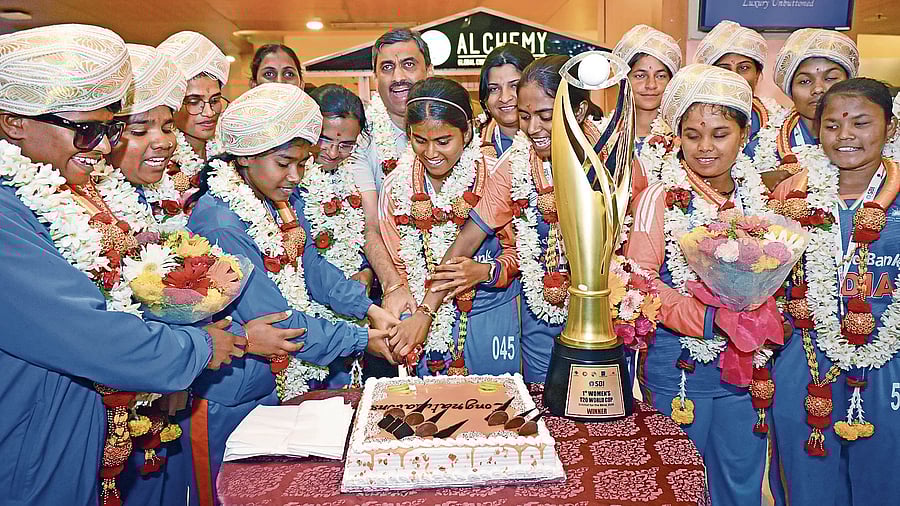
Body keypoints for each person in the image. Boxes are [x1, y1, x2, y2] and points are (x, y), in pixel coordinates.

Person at [0, 24, 246, 506]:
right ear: (13, 121)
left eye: (110, 129)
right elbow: (84, 331)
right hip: (31, 449)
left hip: (77, 429)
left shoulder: (74, 188)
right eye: (87, 130)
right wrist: (197, 347)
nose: (102, 147)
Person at [104, 44, 302, 505]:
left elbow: (193, 286)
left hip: (171, 386)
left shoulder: (161, 194)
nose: (163, 140)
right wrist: (221, 340)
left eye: (166, 126)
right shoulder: (87, 207)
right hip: (125, 397)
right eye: (141, 129)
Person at [180, 83, 396, 505]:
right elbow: (278, 321)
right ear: (244, 156)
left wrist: (369, 308)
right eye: (284, 163)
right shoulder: (222, 221)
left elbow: (311, 267)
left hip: (270, 384)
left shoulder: (276, 197)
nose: (295, 177)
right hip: (231, 393)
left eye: (302, 163)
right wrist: (362, 339)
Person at [626, 64, 777, 506]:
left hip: (749, 366)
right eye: (692, 135)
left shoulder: (763, 197)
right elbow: (639, 279)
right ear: (677, 138)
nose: (705, 147)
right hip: (679, 366)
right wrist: (708, 318)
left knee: (740, 477)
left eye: (719, 133)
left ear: (744, 134)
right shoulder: (659, 195)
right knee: (679, 483)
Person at [432, 56, 624, 383]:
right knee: (544, 412)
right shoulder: (515, 164)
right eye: (524, 116)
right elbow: (469, 237)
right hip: (540, 318)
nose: (533, 128)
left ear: (577, 111)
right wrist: (427, 308)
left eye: (545, 116)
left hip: (609, 314)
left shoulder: (615, 157)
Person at [769, 78, 900, 506]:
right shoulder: (792, 198)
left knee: (884, 481)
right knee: (807, 484)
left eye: (861, 123)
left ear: (891, 128)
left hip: (889, 362)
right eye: (831, 126)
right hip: (807, 360)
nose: (845, 136)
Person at [379, 77, 522, 376]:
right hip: (421, 319)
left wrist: (485, 271)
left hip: (491, 311)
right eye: (420, 140)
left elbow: (524, 252)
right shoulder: (396, 186)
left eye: (444, 141)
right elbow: (398, 263)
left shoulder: (497, 176)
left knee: (494, 408)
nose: (431, 152)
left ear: (467, 132)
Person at [345, 28, 432, 375]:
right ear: (376, 76)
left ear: (429, 71)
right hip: (390, 282)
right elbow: (370, 226)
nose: (398, 77)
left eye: (408, 64)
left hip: (453, 281)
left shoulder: (459, 126)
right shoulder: (362, 139)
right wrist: (395, 285)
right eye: (387, 67)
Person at [303, 83, 373, 387]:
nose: (332, 153)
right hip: (305, 315)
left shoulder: (348, 178)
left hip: (347, 309)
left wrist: (366, 272)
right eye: (324, 140)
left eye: (345, 145)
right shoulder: (288, 180)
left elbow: (356, 238)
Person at [753, 28, 859, 190]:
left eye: (830, 78)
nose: (818, 89)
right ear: (791, 91)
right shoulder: (762, 146)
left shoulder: (870, 140)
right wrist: (758, 183)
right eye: (804, 81)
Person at [694, 20, 789, 187]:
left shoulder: (782, 121)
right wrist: (758, 181)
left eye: (744, 68)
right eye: (724, 68)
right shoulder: (692, 120)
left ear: (758, 73)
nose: (734, 76)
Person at [157, 31, 231, 198]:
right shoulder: (157, 157)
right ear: (171, 104)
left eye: (215, 100)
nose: (209, 112)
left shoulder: (230, 147)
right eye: (193, 101)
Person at [612, 24, 682, 167]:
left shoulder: (684, 138)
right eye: (640, 76)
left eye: (661, 76)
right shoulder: (602, 136)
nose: (651, 85)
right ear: (624, 80)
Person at [476, 44, 534, 156]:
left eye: (514, 86)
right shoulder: (472, 144)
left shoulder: (554, 140)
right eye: (494, 89)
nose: (505, 98)